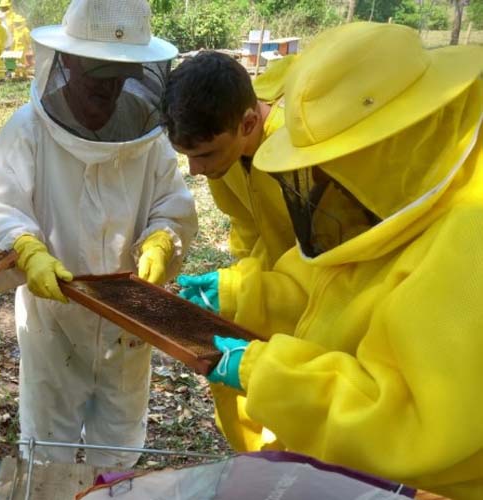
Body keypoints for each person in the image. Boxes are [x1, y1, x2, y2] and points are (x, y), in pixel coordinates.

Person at [197, 22, 483, 499]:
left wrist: (269, 374)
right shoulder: (393, 201)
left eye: (334, 165)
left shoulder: (469, 241)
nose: (322, 186)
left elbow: (407, 422)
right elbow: (328, 283)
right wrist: (242, 291)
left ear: (382, 150)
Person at [0, 0, 197, 468]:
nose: (110, 86)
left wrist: (162, 238)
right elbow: (1, 210)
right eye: (99, 71)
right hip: (52, 323)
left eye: (121, 73)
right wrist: (26, 248)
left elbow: (171, 206)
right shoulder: (26, 132)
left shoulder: (150, 140)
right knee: (47, 449)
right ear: (68, 60)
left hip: (127, 326)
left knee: (118, 452)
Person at [160, 51, 296, 451]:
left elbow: (329, 259)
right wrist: (242, 282)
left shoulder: (300, 152)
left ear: (249, 123)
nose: (196, 171)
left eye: (204, 155)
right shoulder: (227, 160)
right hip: (274, 287)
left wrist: (254, 289)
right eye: (187, 156)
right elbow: (248, 230)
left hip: (320, 297)